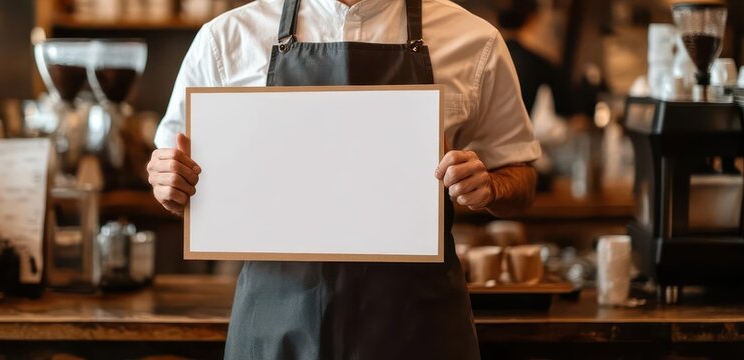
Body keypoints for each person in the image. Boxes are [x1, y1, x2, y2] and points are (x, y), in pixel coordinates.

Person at [148, 0, 540, 358]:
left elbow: (521, 177)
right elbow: (174, 175)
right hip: (277, 327)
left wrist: (489, 186)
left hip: (417, 326)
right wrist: (167, 182)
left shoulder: (472, 40)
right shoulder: (226, 39)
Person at [498, 0, 574, 116]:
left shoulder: (483, 54)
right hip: (520, 131)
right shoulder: (537, 63)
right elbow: (564, 107)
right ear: (532, 19)